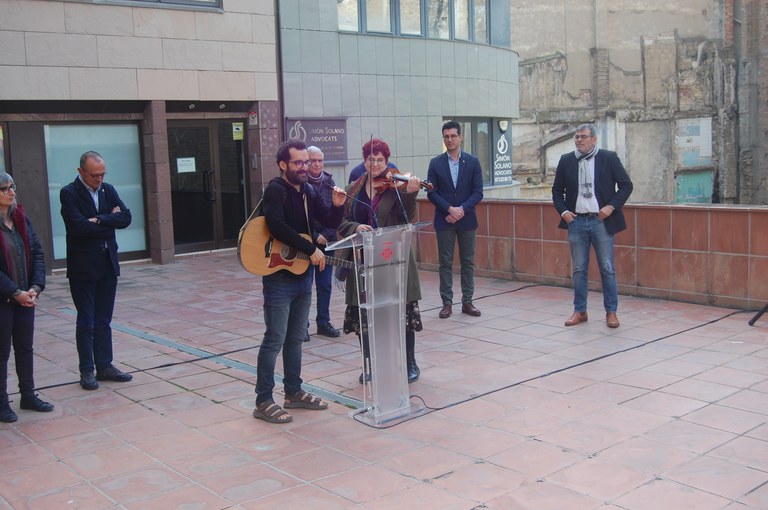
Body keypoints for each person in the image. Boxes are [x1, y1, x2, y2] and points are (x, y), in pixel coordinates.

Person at [252, 139, 345, 424]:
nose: (305, 167)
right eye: (299, 163)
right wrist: (310, 249)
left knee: (295, 339)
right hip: (278, 275)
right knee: (274, 339)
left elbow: (324, 220)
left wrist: (339, 207)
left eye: (307, 162)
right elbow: (276, 226)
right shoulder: (276, 190)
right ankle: (263, 400)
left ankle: (293, 392)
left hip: (301, 274)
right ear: (284, 165)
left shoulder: (309, 190)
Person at [338, 138, 423, 384]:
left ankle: (409, 362)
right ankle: (370, 365)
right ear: (364, 161)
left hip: (392, 258)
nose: (374, 164)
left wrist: (411, 193)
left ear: (387, 161)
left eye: (379, 160)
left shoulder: (396, 185)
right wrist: (357, 226)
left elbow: (406, 219)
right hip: (363, 260)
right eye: (370, 159)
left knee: (401, 312)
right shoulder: (353, 187)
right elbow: (342, 222)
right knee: (364, 315)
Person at [60, 151, 133, 391]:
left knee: (104, 319)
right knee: (87, 321)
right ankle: (87, 370)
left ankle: (105, 365)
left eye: (102, 174)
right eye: (94, 176)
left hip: (107, 264)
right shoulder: (69, 193)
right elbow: (78, 227)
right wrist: (107, 221)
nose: (99, 180)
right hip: (83, 268)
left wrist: (98, 220)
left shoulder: (108, 189)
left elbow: (126, 218)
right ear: (81, 172)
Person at [551, 123, 633, 328]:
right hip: (576, 221)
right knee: (579, 269)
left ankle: (611, 313)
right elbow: (556, 191)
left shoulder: (608, 158)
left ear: (594, 139)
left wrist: (611, 207)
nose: (579, 140)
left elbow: (626, 185)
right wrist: (564, 213)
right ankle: (580, 311)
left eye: (583, 137)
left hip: (601, 221)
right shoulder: (567, 160)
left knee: (607, 268)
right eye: (576, 137)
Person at [0, 173, 53, 422]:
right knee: (2, 352)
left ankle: (28, 395)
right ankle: (1, 402)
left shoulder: (21, 218)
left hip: (25, 296)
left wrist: (35, 286)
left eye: (13, 187)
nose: (12, 192)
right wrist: (15, 292)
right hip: (4, 298)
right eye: (5, 189)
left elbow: (38, 253)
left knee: (24, 347)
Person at [427, 120, 484, 319]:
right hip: (444, 220)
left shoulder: (473, 162)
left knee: (468, 262)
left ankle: (467, 302)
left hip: (467, 221)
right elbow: (431, 193)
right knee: (445, 263)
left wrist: (460, 210)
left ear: (461, 137)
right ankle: (447, 303)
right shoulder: (435, 163)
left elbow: (478, 192)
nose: (450, 140)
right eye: (446, 136)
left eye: (453, 136)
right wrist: (449, 210)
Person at [306, 146, 340, 338]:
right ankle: (302, 325)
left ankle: (323, 322)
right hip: (307, 242)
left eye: (320, 160)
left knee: (324, 284)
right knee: (305, 285)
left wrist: (326, 234)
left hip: (327, 241)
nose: (317, 164)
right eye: (312, 161)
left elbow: (334, 213)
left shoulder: (329, 182)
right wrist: (314, 234)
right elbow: (302, 216)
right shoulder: (301, 183)